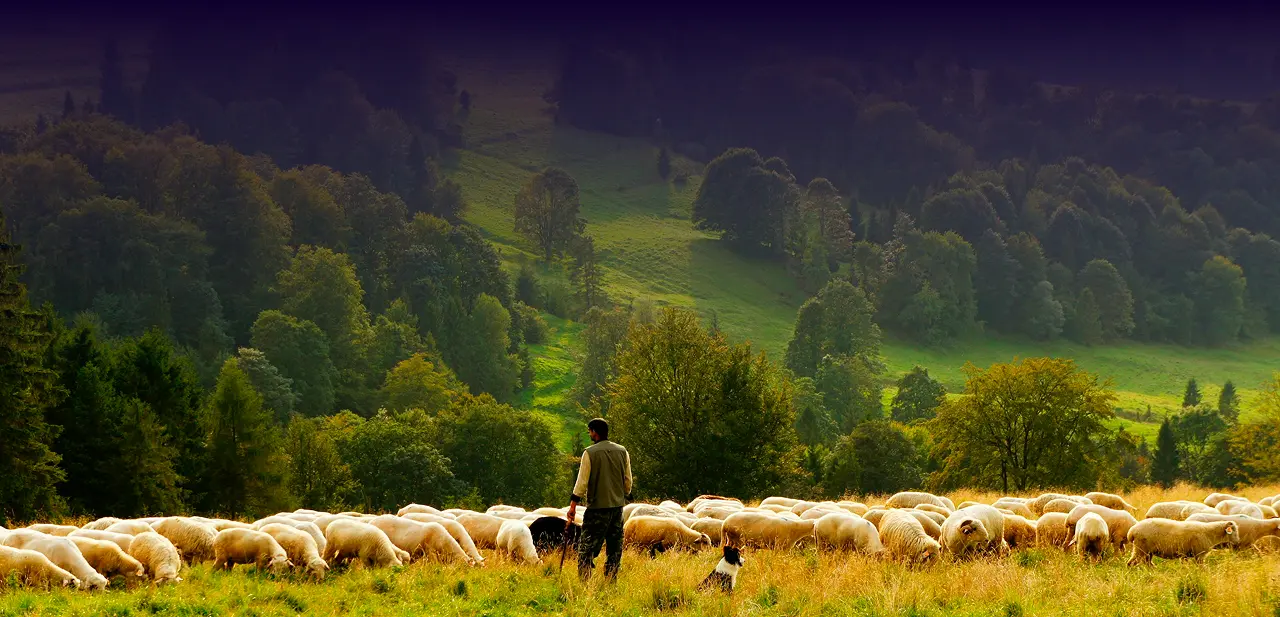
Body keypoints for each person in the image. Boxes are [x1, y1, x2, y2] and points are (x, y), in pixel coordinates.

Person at [567, 417, 632, 581]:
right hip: (617, 509)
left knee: (586, 549)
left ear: (594, 432)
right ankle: (611, 581)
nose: (589, 433)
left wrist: (573, 505)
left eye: (589, 431)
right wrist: (621, 493)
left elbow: (581, 482)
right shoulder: (622, 451)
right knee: (614, 549)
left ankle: (585, 583)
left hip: (597, 509)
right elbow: (627, 481)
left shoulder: (589, 453)